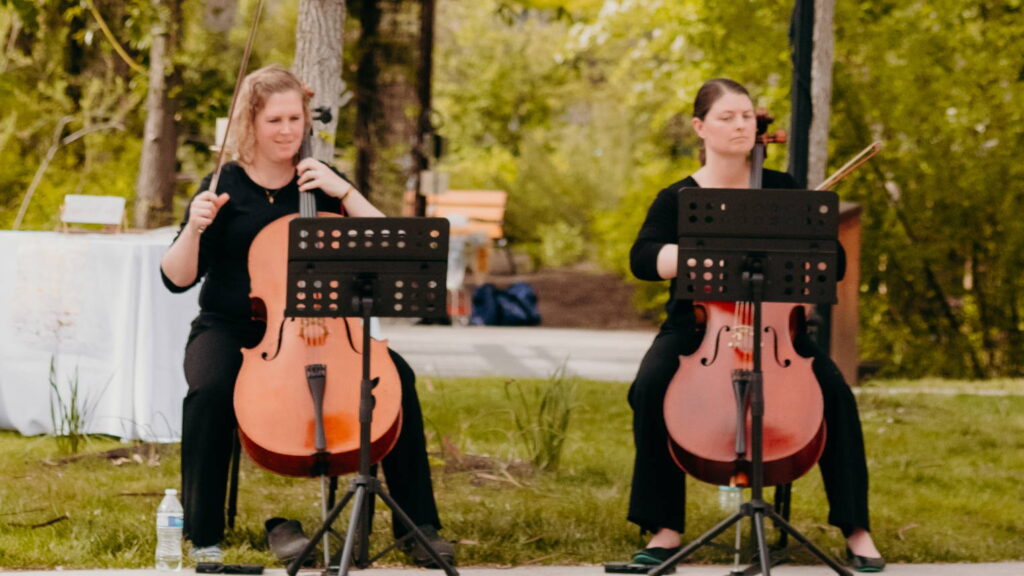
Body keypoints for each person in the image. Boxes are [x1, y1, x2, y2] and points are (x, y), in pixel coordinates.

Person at [160, 64, 453, 568]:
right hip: (233, 328)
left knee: (396, 377)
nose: (288, 130)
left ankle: (418, 526)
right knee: (208, 389)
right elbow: (176, 278)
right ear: (250, 124)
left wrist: (346, 194)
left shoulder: (323, 180)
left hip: (324, 329)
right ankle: (204, 532)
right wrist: (193, 227)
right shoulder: (222, 184)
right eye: (275, 120)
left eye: (295, 118)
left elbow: (391, 245)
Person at [622, 78, 884, 573]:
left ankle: (857, 530)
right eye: (727, 117)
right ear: (701, 127)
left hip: (777, 330)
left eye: (746, 116)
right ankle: (664, 530)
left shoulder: (782, 190)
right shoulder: (677, 197)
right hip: (698, 330)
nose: (740, 125)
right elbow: (642, 257)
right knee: (649, 387)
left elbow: (833, 259)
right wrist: (702, 251)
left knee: (836, 396)